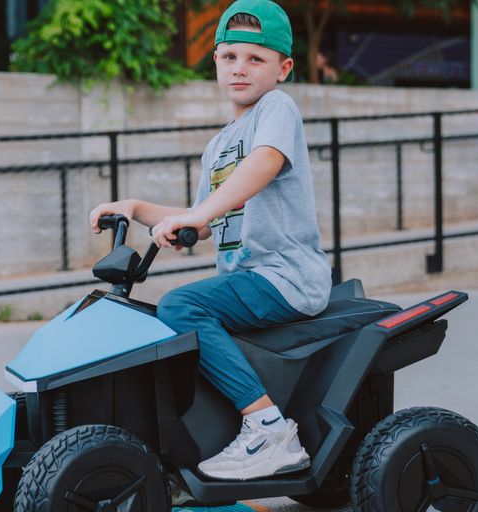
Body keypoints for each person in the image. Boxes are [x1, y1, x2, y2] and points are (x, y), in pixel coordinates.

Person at [88, 0, 331, 481]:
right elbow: (199, 223)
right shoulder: (219, 145)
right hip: (247, 278)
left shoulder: (276, 110)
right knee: (161, 328)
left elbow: (262, 165)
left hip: (284, 277)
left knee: (182, 307)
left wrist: (201, 212)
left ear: (283, 68)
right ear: (215, 62)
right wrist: (135, 209)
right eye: (229, 57)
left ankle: (268, 429)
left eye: (255, 58)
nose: (240, 68)